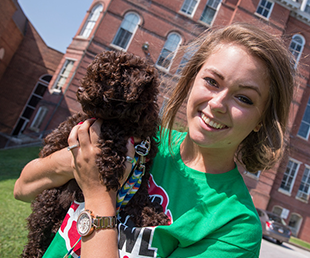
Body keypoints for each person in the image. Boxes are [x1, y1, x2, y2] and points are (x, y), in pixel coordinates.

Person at [14, 23, 295, 258]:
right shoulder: (141, 139)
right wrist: (81, 160)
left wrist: (99, 192)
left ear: (261, 119)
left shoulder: (235, 225)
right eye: (212, 81)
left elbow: (97, 191)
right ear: (192, 79)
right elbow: (23, 187)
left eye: (244, 98)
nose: (218, 103)